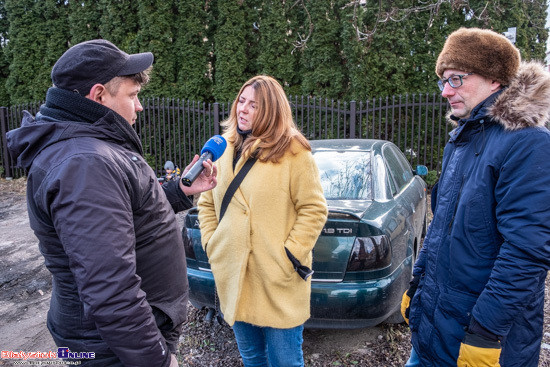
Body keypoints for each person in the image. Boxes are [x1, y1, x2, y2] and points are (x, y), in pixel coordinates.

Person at [6, 39, 217, 367]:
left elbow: (123, 211)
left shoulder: (86, 149)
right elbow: (111, 290)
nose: (139, 106)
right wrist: (157, 361)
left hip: (110, 342)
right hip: (112, 350)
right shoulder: (84, 163)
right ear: (99, 95)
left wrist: (179, 191)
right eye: (132, 96)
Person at [400, 27, 550, 366]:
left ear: (494, 78)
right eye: (443, 81)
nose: (445, 91)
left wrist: (485, 332)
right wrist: (417, 284)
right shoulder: (462, 139)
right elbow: (439, 230)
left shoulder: (528, 143)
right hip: (434, 329)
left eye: (455, 79)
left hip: (481, 340)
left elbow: (526, 253)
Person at [197, 75, 328, 367]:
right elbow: (206, 201)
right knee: (253, 358)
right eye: (241, 101)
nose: (242, 109)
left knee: (285, 362)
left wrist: (289, 254)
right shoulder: (223, 148)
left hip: (276, 278)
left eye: (253, 105)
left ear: (271, 110)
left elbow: (314, 209)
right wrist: (211, 242)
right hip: (235, 275)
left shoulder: (295, 152)